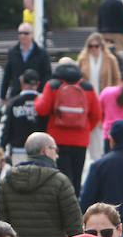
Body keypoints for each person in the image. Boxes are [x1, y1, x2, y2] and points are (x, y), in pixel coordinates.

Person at [0, 132, 82, 237]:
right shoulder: (59, 181)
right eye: (55, 149)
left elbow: (2, 222)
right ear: (45, 150)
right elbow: (74, 226)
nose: (57, 154)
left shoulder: (8, 180)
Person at [34, 58, 101, 195]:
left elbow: (42, 109)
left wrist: (37, 99)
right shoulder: (87, 87)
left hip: (57, 139)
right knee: (77, 178)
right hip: (80, 140)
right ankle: (76, 206)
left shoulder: (52, 86)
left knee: (61, 177)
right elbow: (97, 114)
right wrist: (86, 129)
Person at [77, 33, 119, 165]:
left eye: (96, 46)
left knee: (102, 128)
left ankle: (100, 158)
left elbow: (116, 78)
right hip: (87, 98)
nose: (94, 49)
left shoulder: (110, 59)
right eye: (91, 46)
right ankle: (94, 158)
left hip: (104, 97)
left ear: (101, 46)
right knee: (90, 127)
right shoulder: (82, 59)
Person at [2, 23, 51, 99]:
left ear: (32, 34)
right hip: (16, 95)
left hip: (37, 95)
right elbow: (7, 75)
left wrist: (44, 95)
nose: (22, 36)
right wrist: (2, 96)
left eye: (26, 33)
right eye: (20, 33)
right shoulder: (12, 52)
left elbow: (47, 76)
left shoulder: (42, 53)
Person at [0, 70, 43, 157]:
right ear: (38, 84)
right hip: (41, 149)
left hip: (18, 148)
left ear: (22, 83)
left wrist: (2, 146)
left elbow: (7, 126)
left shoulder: (13, 102)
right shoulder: (43, 102)